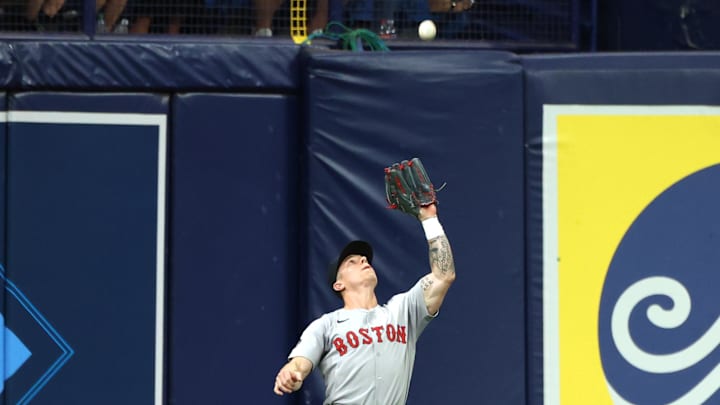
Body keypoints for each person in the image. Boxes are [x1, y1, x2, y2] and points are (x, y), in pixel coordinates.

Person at [273, 202, 455, 404]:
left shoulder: (402, 312)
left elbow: (443, 275)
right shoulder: (326, 325)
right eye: (352, 261)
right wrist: (291, 373)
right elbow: (299, 363)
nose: (363, 261)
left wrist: (429, 219)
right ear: (338, 284)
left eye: (365, 259)